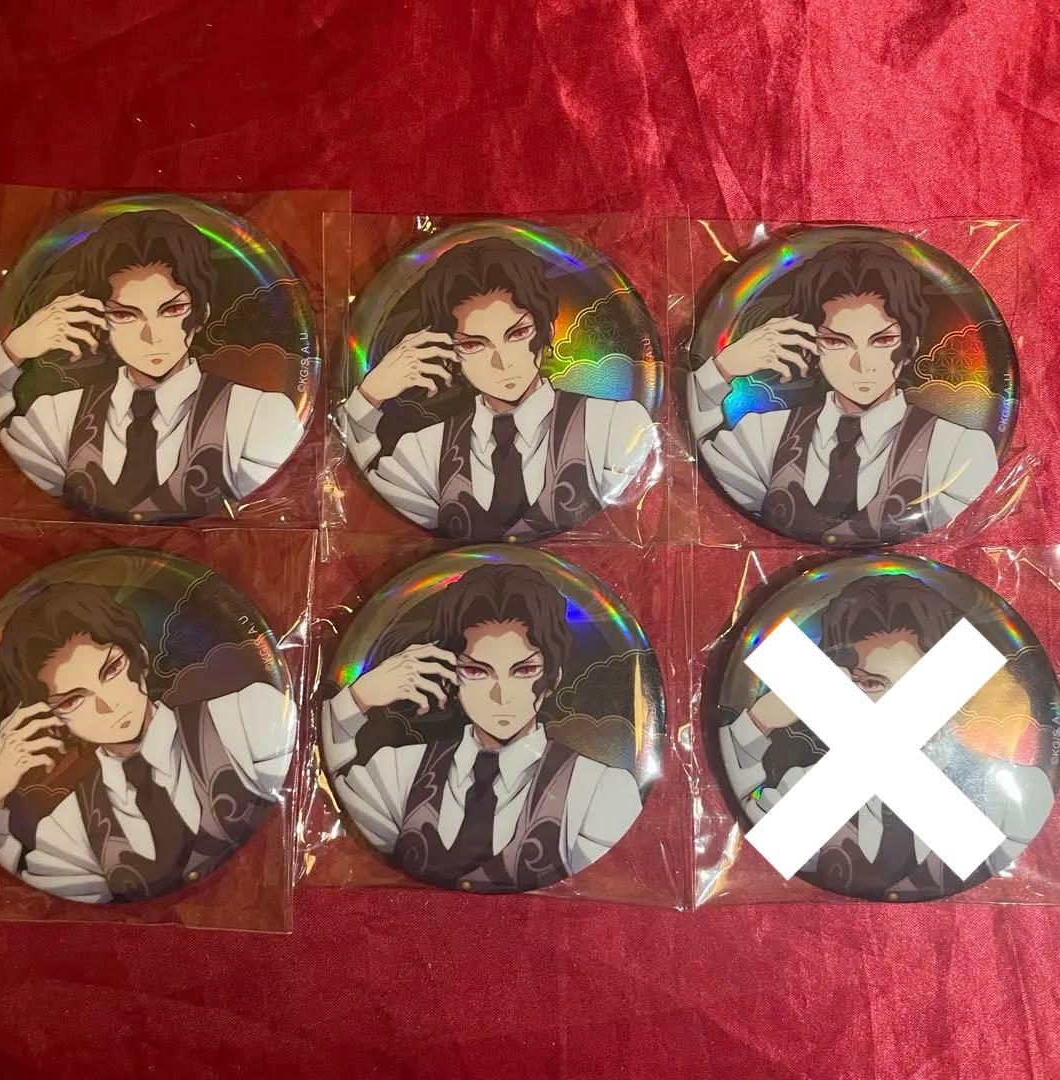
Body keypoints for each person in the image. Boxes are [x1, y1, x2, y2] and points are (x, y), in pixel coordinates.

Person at [719, 574, 1053, 898]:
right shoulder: (806, 793)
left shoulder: (1012, 800)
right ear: (839, 681)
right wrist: (759, 721)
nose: (897, 708)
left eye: (917, 683)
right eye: (871, 683)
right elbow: (742, 820)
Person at [325, 563, 643, 891]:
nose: (500, 695)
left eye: (524, 670)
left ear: (553, 677)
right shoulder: (397, 771)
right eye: (477, 671)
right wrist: (358, 697)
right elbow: (322, 796)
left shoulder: (598, 789)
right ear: (451, 674)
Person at [0, 583, 294, 903]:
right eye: (73, 700)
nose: (107, 705)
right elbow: (21, 896)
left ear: (140, 657)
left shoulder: (245, 718)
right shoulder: (68, 826)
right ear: (53, 718)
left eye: (112, 669)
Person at [0, 209, 303, 519]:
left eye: (172, 310)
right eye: (125, 314)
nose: (151, 336)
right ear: (100, 320)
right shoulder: (58, 415)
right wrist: (13, 350)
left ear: (202, 312)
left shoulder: (255, 415)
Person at [342, 236, 656, 540]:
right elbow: (359, 483)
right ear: (451, 351)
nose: (501, 362)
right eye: (474, 344)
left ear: (546, 330)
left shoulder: (614, 427)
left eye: (517, 333)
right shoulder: (425, 451)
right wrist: (370, 393)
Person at [688, 241, 999, 544]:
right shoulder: (763, 434)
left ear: (911, 346)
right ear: (811, 346)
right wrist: (724, 367)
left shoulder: (958, 449)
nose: (860, 364)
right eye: (836, 341)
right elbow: (689, 463)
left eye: (882, 340)